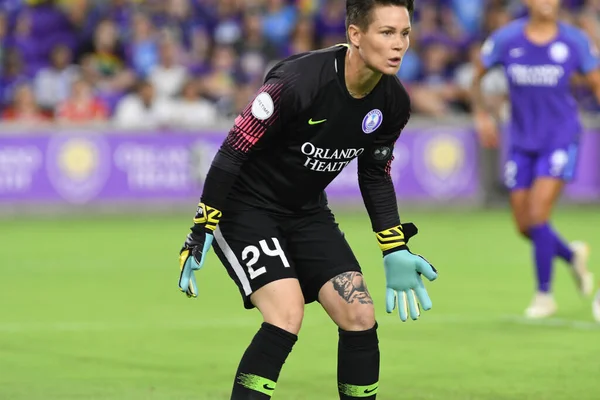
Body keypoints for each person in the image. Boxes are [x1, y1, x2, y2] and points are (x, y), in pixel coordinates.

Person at [176, 1, 438, 399]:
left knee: (359, 314)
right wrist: (203, 224)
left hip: (307, 210)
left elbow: (374, 172)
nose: (398, 45)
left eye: (404, 33)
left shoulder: (393, 102)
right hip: (246, 207)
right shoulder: (297, 81)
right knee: (286, 314)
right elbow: (232, 151)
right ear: (355, 35)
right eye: (386, 33)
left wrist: (394, 245)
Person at [472, 0, 600, 319]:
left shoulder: (575, 40)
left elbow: (596, 83)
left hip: (560, 137)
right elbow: (476, 78)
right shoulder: (506, 39)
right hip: (521, 141)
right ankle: (571, 255)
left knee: (538, 214)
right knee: (523, 224)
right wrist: (482, 116)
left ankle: (544, 295)